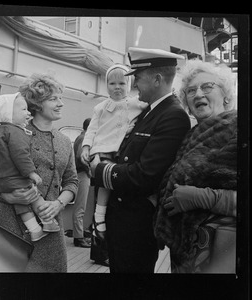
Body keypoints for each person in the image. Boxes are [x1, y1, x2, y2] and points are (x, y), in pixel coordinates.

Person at [89, 48, 191, 273]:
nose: (134, 85)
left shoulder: (173, 115)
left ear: (157, 79)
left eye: (138, 78)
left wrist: (99, 170)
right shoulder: (148, 112)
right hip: (122, 221)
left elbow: (145, 175)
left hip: (137, 227)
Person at [0, 73, 78, 272]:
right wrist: (4, 194)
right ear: (36, 103)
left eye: (60, 98)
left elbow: (72, 181)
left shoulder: (64, 141)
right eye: (54, 99)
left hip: (51, 226)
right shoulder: (10, 133)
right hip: (11, 224)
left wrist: (58, 204)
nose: (61, 103)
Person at [153, 59, 237, 273]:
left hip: (224, 255)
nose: (198, 94)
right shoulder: (188, 138)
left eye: (207, 86)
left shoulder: (239, 130)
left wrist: (204, 197)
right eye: (191, 90)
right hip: (186, 256)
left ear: (226, 95)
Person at [81, 63, 148, 241]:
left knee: (115, 182)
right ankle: (99, 216)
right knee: (105, 182)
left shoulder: (136, 103)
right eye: (112, 84)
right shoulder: (100, 107)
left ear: (129, 85)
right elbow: (92, 129)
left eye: (122, 83)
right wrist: (86, 147)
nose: (117, 87)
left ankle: (102, 218)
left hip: (122, 150)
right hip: (102, 149)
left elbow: (153, 108)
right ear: (107, 85)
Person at [0, 93, 60, 243]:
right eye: (24, 110)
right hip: (16, 178)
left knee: (22, 203)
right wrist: (31, 173)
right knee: (35, 196)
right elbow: (21, 155)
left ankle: (35, 230)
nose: (28, 113)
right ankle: (49, 222)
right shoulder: (15, 131)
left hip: (2, 181)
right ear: (8, 114)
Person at [72, 117, 92, 248]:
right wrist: (89, 170)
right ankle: (78, 238)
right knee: (80, 208)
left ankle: (78, 235)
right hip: (82, 175)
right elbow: (80, 156)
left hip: (80, 174)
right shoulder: (84, 139)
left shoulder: (80, 137)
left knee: (80, 207)